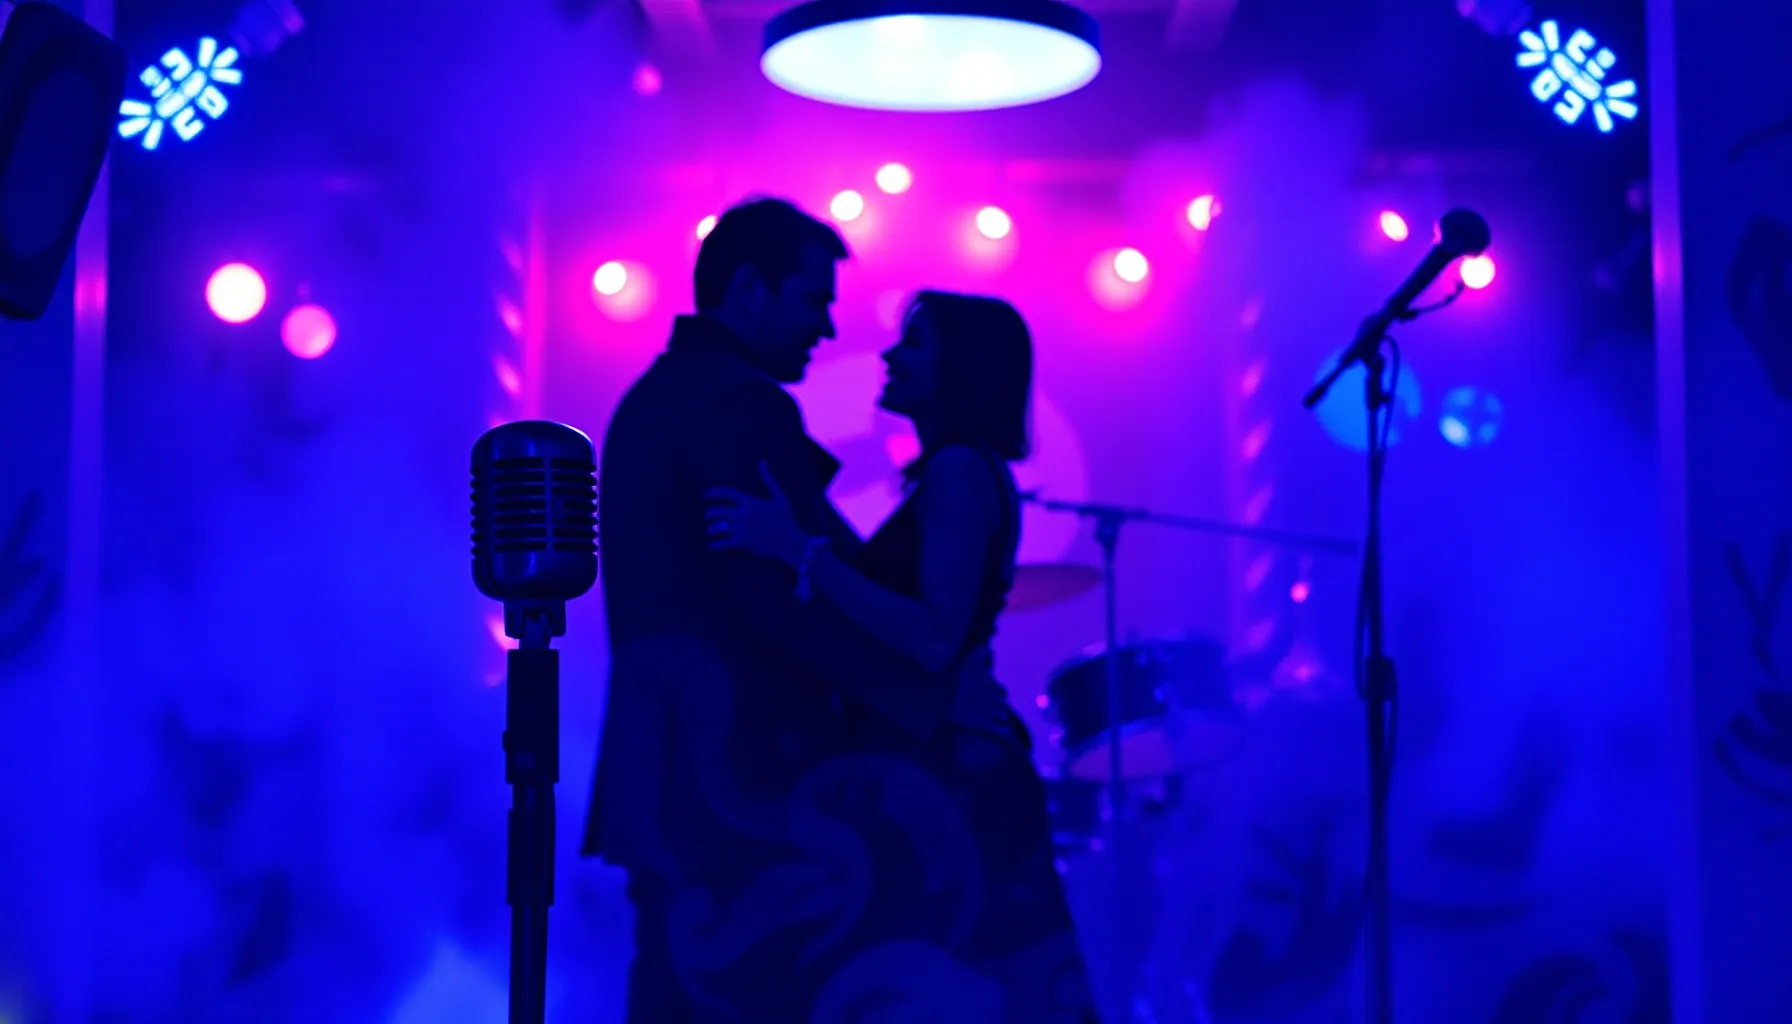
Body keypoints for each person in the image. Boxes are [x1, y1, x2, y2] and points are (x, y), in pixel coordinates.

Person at [583, 199, 970, 1021]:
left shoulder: (657, 397)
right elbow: (776, 600)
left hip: (668, 770)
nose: (826, 327)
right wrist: (924, 699)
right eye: (811, 299)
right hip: (743, 778)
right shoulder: (739, 403)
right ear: (749, 291)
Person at [703, 291, 1101, 1022]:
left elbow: (932, 636)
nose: (891, 355)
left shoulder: (958, 471)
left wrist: (797, 551)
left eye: (914, 343)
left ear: (961, 368)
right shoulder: (964, 471)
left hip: (952, 776)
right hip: (946, 765)